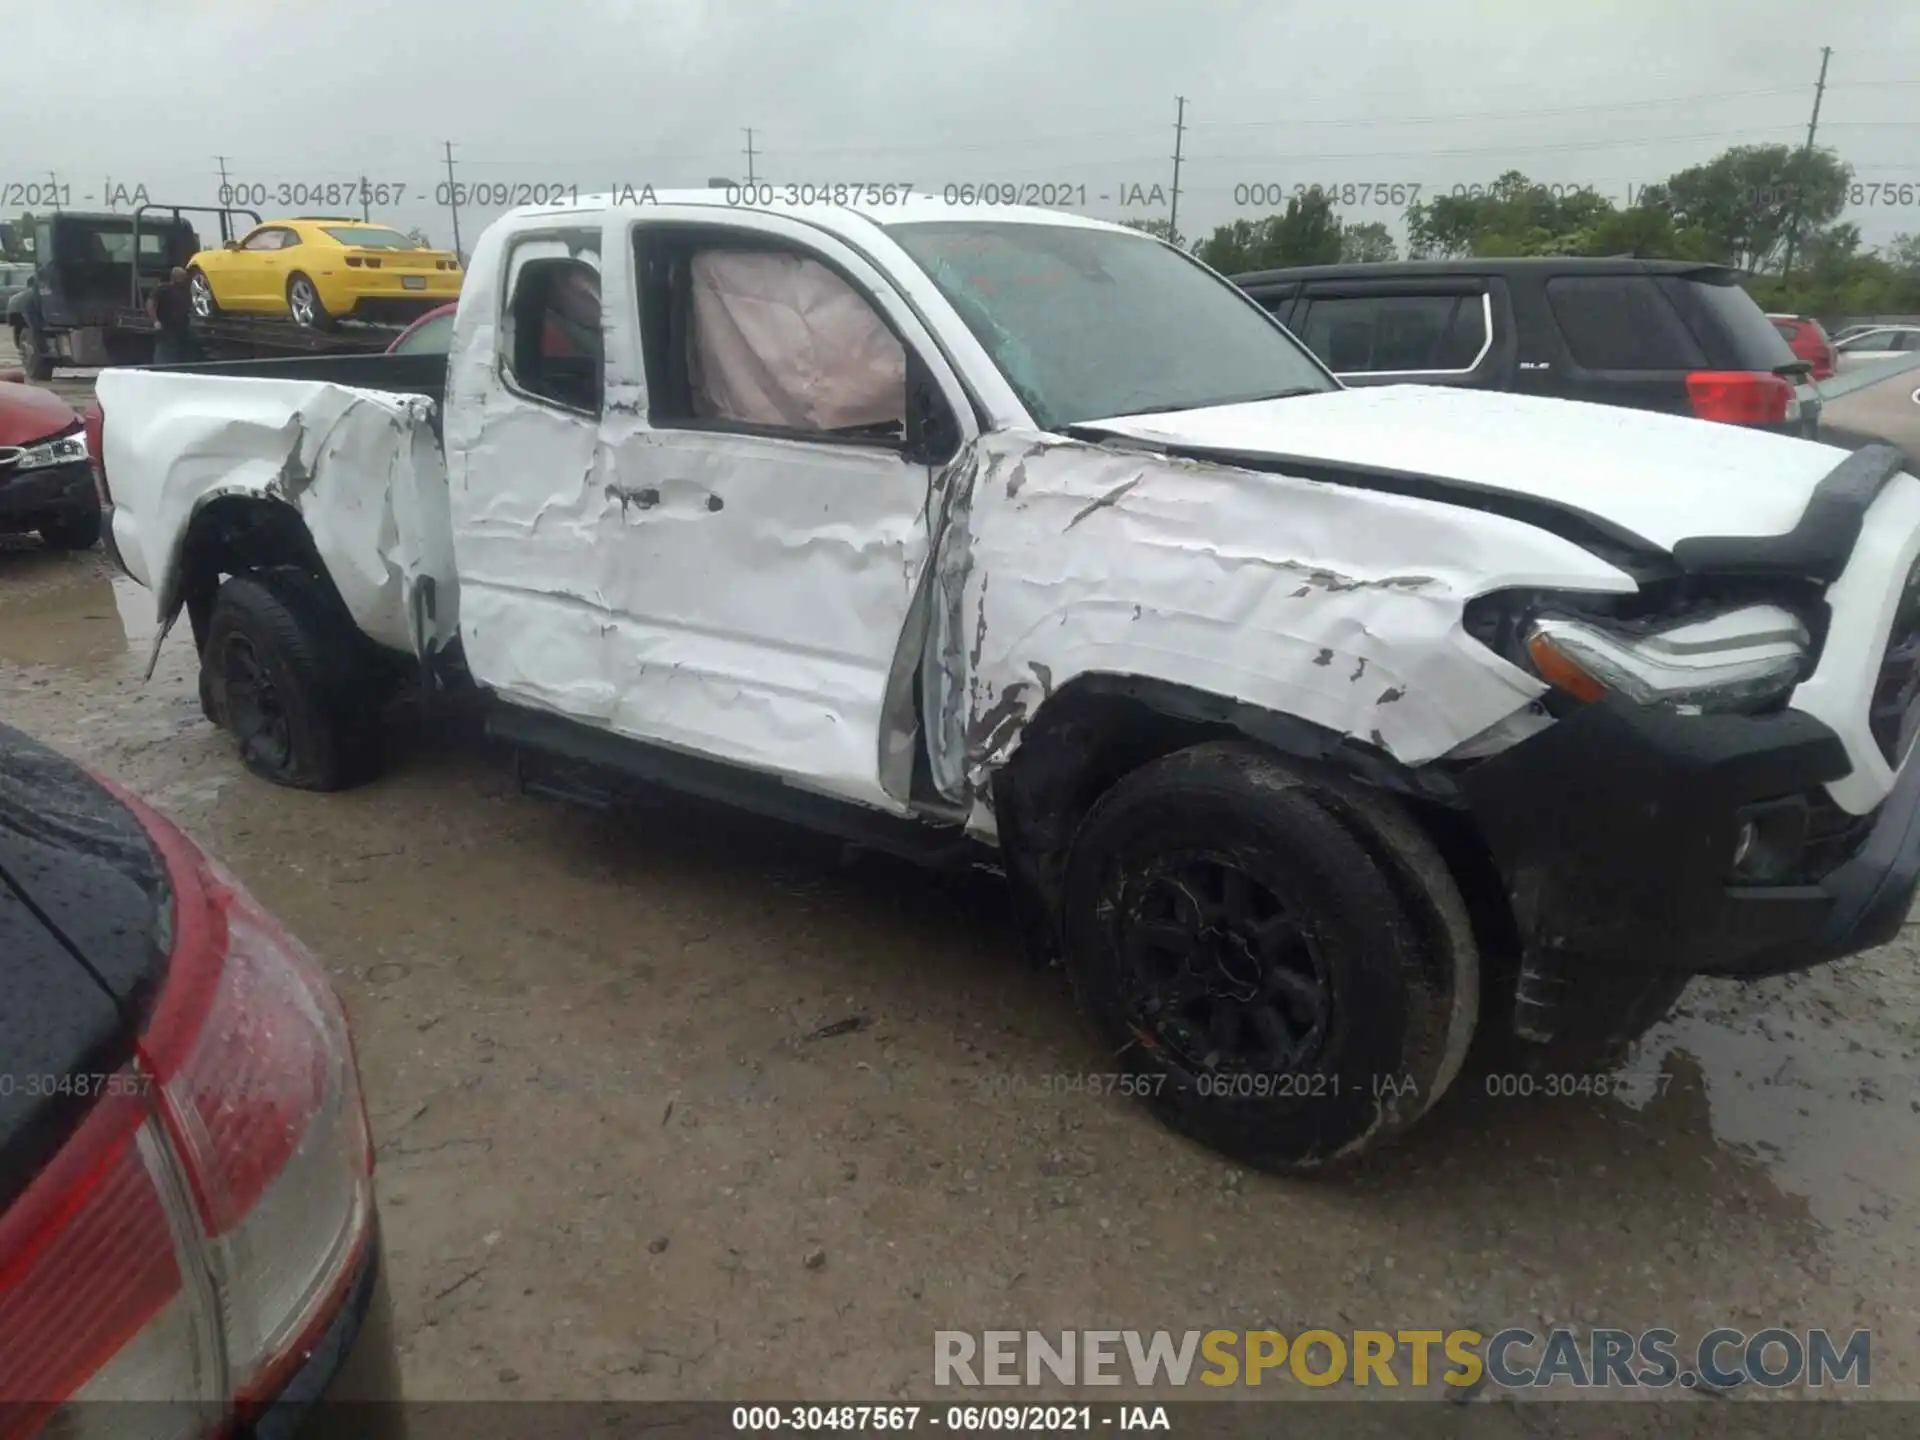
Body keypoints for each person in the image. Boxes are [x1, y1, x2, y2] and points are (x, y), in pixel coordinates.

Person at [148, 266, 196, 364]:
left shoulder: (186, 291)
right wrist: (155, 321)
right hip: (166, 330)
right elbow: (151, 303)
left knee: (180, 357)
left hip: (182, 331)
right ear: (175, 277)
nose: (185, 279)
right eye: (182, 276)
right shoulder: (164, 289)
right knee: (164, 355)